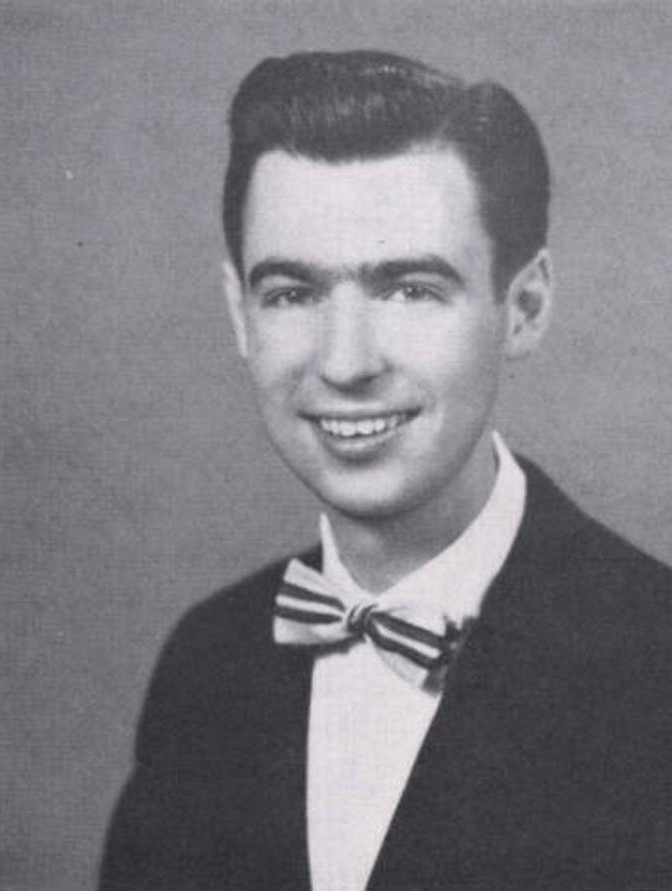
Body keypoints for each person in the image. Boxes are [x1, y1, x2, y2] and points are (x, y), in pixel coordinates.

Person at [98, 50, 672, 891]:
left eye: (408, 288)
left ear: (525, 307)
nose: (345, 361)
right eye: (292, 292)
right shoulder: (207, 662)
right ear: (238, 315)